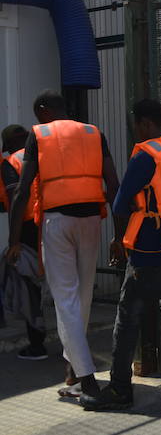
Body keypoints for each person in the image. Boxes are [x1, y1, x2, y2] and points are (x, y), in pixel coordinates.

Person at [80, 100, 161, 411]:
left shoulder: (145, 156)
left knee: (127, 322)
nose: (136, 131)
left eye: (136, 124)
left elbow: (119, 205)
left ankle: (119, 390)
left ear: (146, 124)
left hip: (148, 254)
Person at [5, 90, 121, 400]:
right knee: (81, 298)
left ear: (43, 110)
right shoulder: (94, 132)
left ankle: (87, 379)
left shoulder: (39, 135)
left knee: (66, 300)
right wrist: (120, 235)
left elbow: (22, 192)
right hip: (91, 222)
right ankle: (72, 370)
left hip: (57, 223)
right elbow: (113, 184)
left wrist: (13, 240)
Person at [1, 124, 46, 361]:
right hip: (51, 221)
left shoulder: (11, 163)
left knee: (27, 283)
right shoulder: (43, 156)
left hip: (27, 227)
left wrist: (14, 241)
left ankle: (37, 344)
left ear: (7, 146)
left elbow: (15, 199)